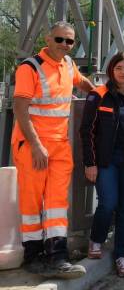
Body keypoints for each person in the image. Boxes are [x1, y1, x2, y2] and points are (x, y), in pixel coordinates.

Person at [12, 21, 93, 278]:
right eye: (60, 40)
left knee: (57, 203)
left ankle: (58, 257)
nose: (65, 45)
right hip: (33, 145)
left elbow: (84, 84)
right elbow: (20, 109)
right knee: (32, 202)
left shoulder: (68, 65)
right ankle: (33, 256)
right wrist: (36, 145)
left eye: (69, 41)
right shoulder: (30, 67)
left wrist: (102, 95)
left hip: (59, 145)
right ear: (48, 39)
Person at [81, 52, 124, 277]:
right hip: (106, 160)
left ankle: (122, 256)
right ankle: (96, 240)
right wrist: (90, 163)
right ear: (111, 71)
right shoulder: (98, 96)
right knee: (108, 203)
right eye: (119, 68)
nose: (123, 72)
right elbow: (86, 132)